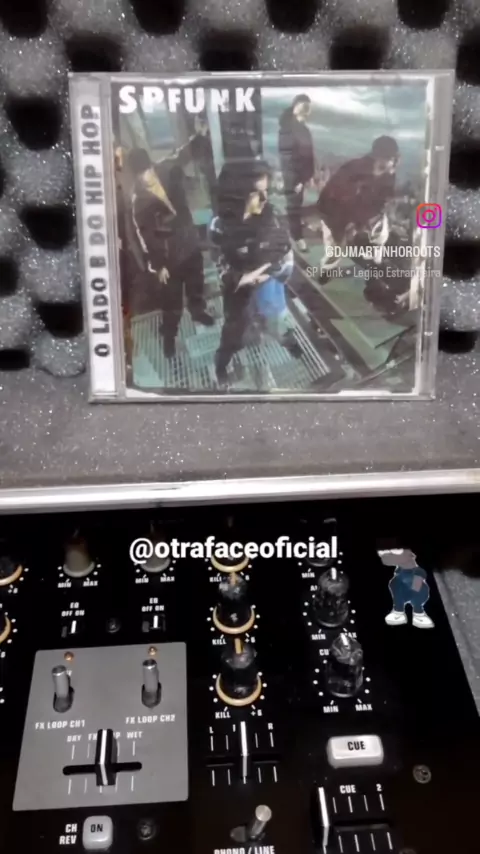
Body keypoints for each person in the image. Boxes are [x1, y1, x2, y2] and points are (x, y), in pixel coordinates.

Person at [127, 126, 214, 360]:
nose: (146, 176)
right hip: (169, 257)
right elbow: (146, 236)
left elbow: (184, 154)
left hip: (189, 242)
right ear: (136, 175)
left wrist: (200, 136)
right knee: (172, 302)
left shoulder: (166, 168)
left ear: (151, 165)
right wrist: (158, 265)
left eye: (147, 170)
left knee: (196, 285)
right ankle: (169, 336)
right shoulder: (139, 201)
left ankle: (198, 311)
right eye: (141, 173)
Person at [210, 159, 296, 387]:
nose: (265, 199)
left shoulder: (273, 219)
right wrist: (240, 279)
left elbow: (286, 256)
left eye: (266, 191)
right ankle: (221, 367)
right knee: (233, 334)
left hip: (269, 288)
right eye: (257, 193)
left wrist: (269, 273)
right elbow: (219, 262)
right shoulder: (220, 226)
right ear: (237, 196)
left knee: (277, 323)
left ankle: (290, 344)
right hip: (238, 294)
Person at [317, 135, 400, 247]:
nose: (389, 163)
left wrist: (361, 224)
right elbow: (334, 202)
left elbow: (382, 202)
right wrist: (348, 228)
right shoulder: (353, 171)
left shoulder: (388, 175)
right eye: (385, 158)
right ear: (375, 157)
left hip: (359, 217)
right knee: (337, 248)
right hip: (334, 212)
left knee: (376, 236)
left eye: (391, 159)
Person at [278, 94, 315, 252]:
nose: (307, 109)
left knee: (297, 205)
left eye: (308, 106)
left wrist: (307, 176)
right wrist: (297, 180)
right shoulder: (288, 129)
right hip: (293, 177)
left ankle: (296, 228)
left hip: (300, 176)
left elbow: (308, 154)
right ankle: (297, 237)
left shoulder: (302, 129)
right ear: (295, 107)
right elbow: (288, 158)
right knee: (293, 207)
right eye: (303, 105)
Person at [377, 547, 434, 629]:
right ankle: (399, 610)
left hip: (416, 586)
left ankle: (418, 612)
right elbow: (388, 560)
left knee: (415, 584)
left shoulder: (412, 564)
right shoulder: (399, 574)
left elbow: (391, 559)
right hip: (403, 588)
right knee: (395, 583)